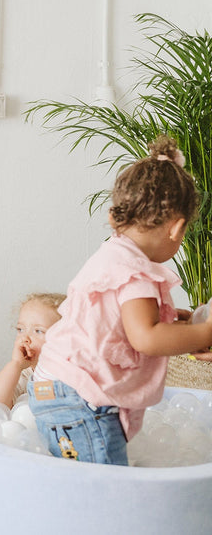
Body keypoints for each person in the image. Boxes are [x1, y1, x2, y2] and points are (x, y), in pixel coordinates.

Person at [29, 135, 212, 465]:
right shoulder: (137, 272)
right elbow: (147, 338)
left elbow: (122, 326)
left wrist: (172, 323)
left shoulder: (114, 255)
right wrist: (206, 332)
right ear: (177, 228)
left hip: (54, 386)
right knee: (107, 486)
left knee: (78, 479)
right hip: (80, 398)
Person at [0, 292, 64, 408]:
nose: (25, 338)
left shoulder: (76, 374)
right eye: (20, 329)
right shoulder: (27, 373)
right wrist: (15, 364)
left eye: (38, 331)